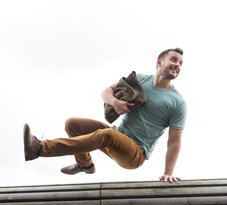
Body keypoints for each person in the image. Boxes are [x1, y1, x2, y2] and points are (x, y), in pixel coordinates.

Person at [23, 48, 186, 183]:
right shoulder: (141, 79)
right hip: (117, 134)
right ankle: (85, 165)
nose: (177, 65)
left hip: (135, 153)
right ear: (159, 63)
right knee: (72, 124)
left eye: (180, 63)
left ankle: (39, 148)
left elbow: (174, 142)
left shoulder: (177, 102)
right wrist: (115, 102)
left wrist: (168, 172)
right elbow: (106, 91)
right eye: (173, 60)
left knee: (107, 135)